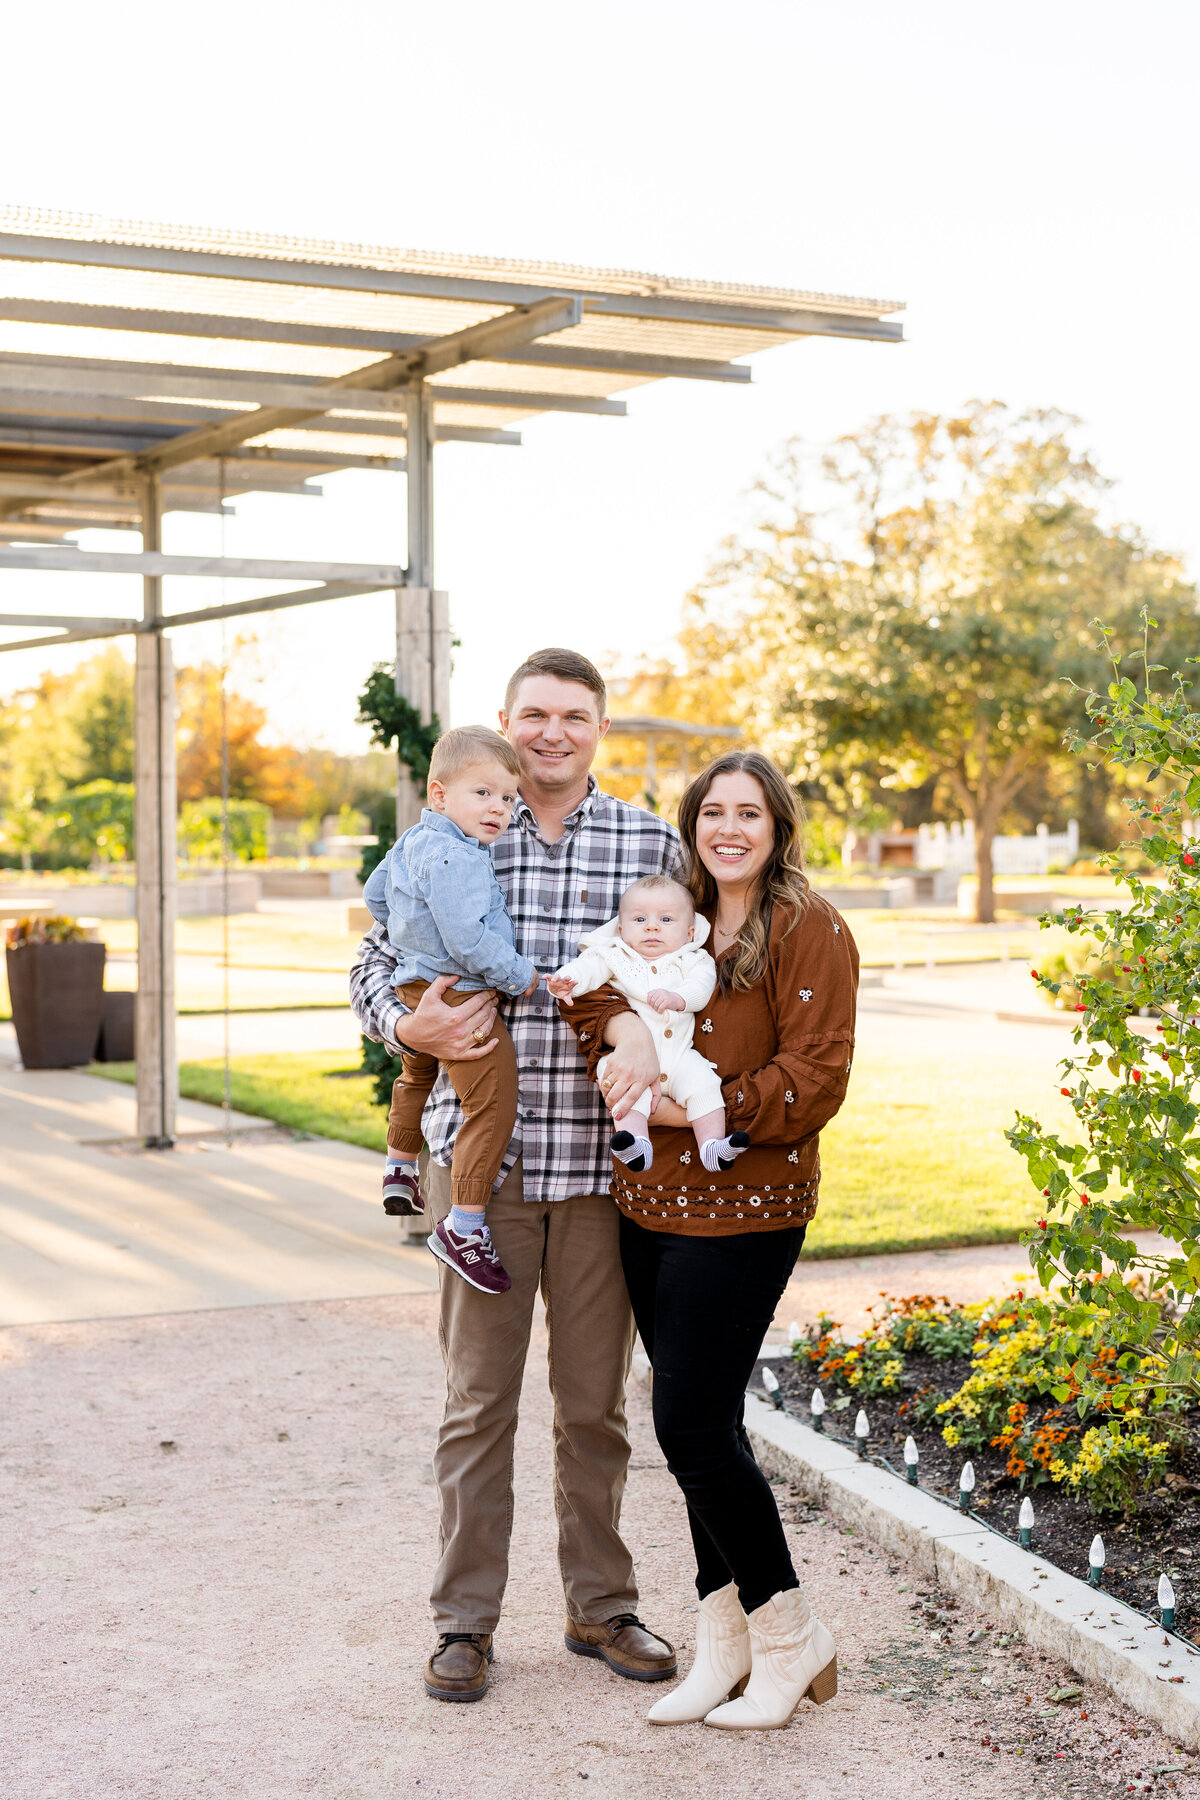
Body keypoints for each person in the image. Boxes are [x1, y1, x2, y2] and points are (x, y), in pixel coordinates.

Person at [350, 647, 680, 1702]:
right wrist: (404, 1018)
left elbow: (683, 969)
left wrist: (649, 1024)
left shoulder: (645, 840)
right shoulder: (447, 833)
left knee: (594, 1406)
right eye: (533, 715)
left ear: (601, 729)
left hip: (599, 1171)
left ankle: (601, 1607)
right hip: (476, 1172)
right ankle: (463, 1625)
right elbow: (370, 959)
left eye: (573, 716)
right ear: (505, 720)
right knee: (476, 1401)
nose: (551, 733)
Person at [561, 750, 858, 1731]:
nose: (728, 829)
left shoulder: (809, 929)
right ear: (693, 827)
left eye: (749, 813)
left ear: (777, 826)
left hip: (748, 1209)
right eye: (712, 813)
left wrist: (692, 1113)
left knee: (688, 1427)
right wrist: (627, 1038)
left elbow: (814, 1080)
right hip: (648, 1205)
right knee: (706, 1426)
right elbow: (588, 987)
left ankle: (788, 1632)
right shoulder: (670, 911)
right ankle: (722, 1642)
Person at [362, 725, 539, 1295]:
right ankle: (463, 1226)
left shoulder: (412, 840)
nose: (499, 809)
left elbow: (374, 896)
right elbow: (467, 940)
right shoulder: (459, 856)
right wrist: (521, 976)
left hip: (415, 984)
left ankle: (398, 1167)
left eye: (509, 798)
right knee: (491, 1102)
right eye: (483, 794)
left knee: (416, 1070)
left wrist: (412, 935)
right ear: (440, 794)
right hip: (459, 992)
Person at [547, 873, 749, 1175]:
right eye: (639, 920)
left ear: (690, 932)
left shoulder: (693, 959)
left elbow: (702, 986)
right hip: (630, 1056)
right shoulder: (616, 955)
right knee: (623, 1083)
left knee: (705, 1083)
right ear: (620, 928)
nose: (652, 927)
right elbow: (587, 967)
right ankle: (637, 1143)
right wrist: (567, 982)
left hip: (681, 1056)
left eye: (666, 920)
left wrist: (677, 997)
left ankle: (712, 1147)